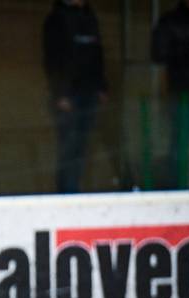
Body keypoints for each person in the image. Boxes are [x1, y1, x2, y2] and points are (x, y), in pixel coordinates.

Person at [43, 0, 108, 193]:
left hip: (89, 91)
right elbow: (52, 59)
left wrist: (101, 86)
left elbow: (97, 53)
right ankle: (67, 193)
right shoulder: (56, 19)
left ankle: (75, 190)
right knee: (69, 148)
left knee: (82, 147)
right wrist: (60, 93)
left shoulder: (90, 16)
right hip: (69, 95)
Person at [151, 0, 189, 189]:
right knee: (179, 145)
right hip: (182, 94)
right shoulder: (171, 21)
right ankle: (175, 190)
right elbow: (158, 54)